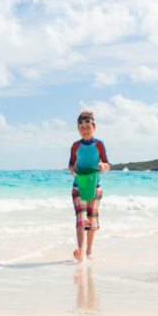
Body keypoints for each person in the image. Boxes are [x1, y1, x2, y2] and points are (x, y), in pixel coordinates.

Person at [68, 111, 110, 261]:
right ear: (78, 129)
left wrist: (102, 166)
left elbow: (107, 164)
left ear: (94, 127)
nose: (85, 130)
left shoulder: (98, 144)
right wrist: (73, 171)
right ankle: (80, 250)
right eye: (82, 127)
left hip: (95, 186)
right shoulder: (75, 146)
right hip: (78, 186)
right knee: (81, 218)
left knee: (92, 220)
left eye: (88, 126)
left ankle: (89, 251)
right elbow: (71, 165)